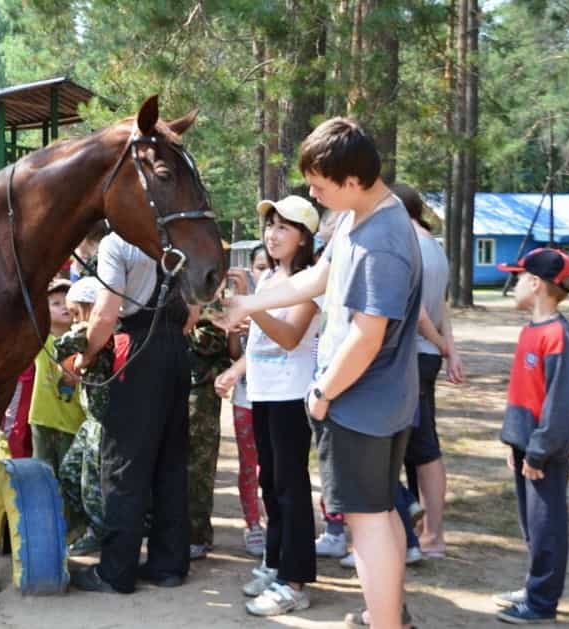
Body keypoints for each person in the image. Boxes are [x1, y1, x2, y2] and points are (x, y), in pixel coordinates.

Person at [222, 118, 422, 629]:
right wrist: (250, 300)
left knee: (368, 521)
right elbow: (317, 277)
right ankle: (387, 613)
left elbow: (367, 336)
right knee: (379, 513)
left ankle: (384, 622)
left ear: (351, 179)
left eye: (318, 183)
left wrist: (322, 391)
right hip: (375, 401)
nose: (311, 191)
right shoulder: (360, 217)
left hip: (360, 403)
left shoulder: (382, 240)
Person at [71, 232, 193, 594]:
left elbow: (106, 312)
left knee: (123, 462)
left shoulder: (118, 242)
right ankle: (168, 565)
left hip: (135, 344)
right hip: (175, 345)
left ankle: (116, 571)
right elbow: (194, 310)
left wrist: (86, 355)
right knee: (171, 461)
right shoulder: (177, 237)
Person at [220, 196, 322, 617]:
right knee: (270, 484)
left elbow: (290, 337)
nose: (272, 234)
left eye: (284, 227)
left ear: (304, 238)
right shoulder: (268, 279)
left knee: (290, 487)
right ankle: (275, 563)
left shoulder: (312, 281)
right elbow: (261, 337)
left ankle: (295, 581)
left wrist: (253, 311)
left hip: (291, 395)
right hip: (261, 393)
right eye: (271, 225)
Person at [493, 248, 569, 625]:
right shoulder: (531, 329)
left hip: (543, 453)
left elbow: (561, 404)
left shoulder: (558, 335)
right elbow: (523, 393)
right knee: (532, 525)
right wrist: (515, 441)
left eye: (517, 278)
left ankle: (542, 602)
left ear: (535, 283)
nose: (513, 285)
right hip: (526, 447)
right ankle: (534, 586)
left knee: (547, 526)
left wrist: (539, 450)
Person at [392, 182, 464, 559]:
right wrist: (448, 348)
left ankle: (433, 534)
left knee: (422, 448)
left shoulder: (410, 246)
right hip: (426, 357)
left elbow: (419, 312)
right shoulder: (433, 247)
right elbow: (444, 305)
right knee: (415, 447)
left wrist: (439, 343)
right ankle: (423, 526)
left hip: (414, 357)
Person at [53, 277, 116, 555]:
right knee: (69, 473)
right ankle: (96, 527)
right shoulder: (90, 338)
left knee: (93, 487)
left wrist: (80, 332)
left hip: (104, 424)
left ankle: (100, 532)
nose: (74, 319)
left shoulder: (104, 335)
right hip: (91, 422)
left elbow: (64, 346)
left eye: (77, 312)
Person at [216, 244, 269, 557]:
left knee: (273, 467)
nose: (261, 272)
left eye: (267, 267)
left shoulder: (281, 297)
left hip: (278, 397)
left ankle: (276, 522)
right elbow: (235, 354)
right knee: (249, 465)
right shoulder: (238, 303)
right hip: (246, 397)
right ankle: (253, 525)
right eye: (257, 267)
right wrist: (234, 331)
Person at [28, 279, 86, 481]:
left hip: (73, 423)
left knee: (69, 480)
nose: (63, 307)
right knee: (42, 478)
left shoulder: (83, 341)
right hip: (43, 420)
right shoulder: (39, 339)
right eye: (56, 303)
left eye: (67, 302)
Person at [186, 314, 232, 560]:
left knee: (198, 472)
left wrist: (190, 320)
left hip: (201, 403)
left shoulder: (209, 311)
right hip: (175, 395)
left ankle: (197, 535)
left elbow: (210, 342)